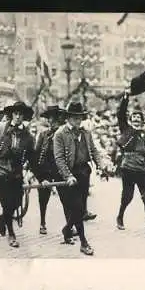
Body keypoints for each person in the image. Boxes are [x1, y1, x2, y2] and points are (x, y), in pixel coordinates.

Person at [0, 101, 39, 248]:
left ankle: (3, 218)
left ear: (24, 117)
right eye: (15, 113)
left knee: (16, 202)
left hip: (16, 174)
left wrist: (39, 176)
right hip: (0, 171)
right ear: (11, 114)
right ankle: (11, 234)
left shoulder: (28, 136)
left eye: (21, 114)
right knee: (6, 202)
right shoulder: (0, 127)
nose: (18, 117)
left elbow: (32, 157)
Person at [53, 101, 106, 256]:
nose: (78, 120)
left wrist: (101, 165)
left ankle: (67, 228)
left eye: (80, 117)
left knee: (81, 209)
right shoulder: (60, 134)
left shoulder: (85, 133)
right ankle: (84, 242)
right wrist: (68, 176)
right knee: (76, 207)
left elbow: (94, 151)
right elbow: (59, 159)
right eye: (74, 117)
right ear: (68, 118)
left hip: (84, 173)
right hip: (68, 175)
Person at [115, 90, 145, 234]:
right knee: (127, 196)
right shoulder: (126, 129)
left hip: (144, 170)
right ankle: (120, 217)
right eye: (133, 117)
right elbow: (121, 114)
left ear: (142, 120)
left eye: (138, 118)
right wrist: (126, 98)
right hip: (128, 168)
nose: (135, 119)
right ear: (130, 119)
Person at [34, 105, 68, 235]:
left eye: (53, 118)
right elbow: (37, 152)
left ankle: (69, 224)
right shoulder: (43, 134)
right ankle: (42, 222)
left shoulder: (64, 134)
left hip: (59, 168)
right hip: (46, 169)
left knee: (66, 198)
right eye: (49, 118)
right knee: (43, 198)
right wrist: (38, 172)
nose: (51, 121)